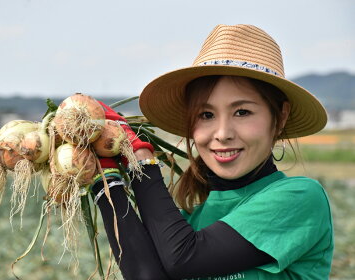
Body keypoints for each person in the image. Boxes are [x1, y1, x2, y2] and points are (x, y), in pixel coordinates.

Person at [91, 24, 334, 279]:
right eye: (206, 115)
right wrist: (106, 182)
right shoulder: (190, 218)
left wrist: (140, 159)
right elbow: (146, 275)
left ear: (280, 117)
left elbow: (184, 259)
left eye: (242, 112)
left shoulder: (301, 199)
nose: (222, 133)